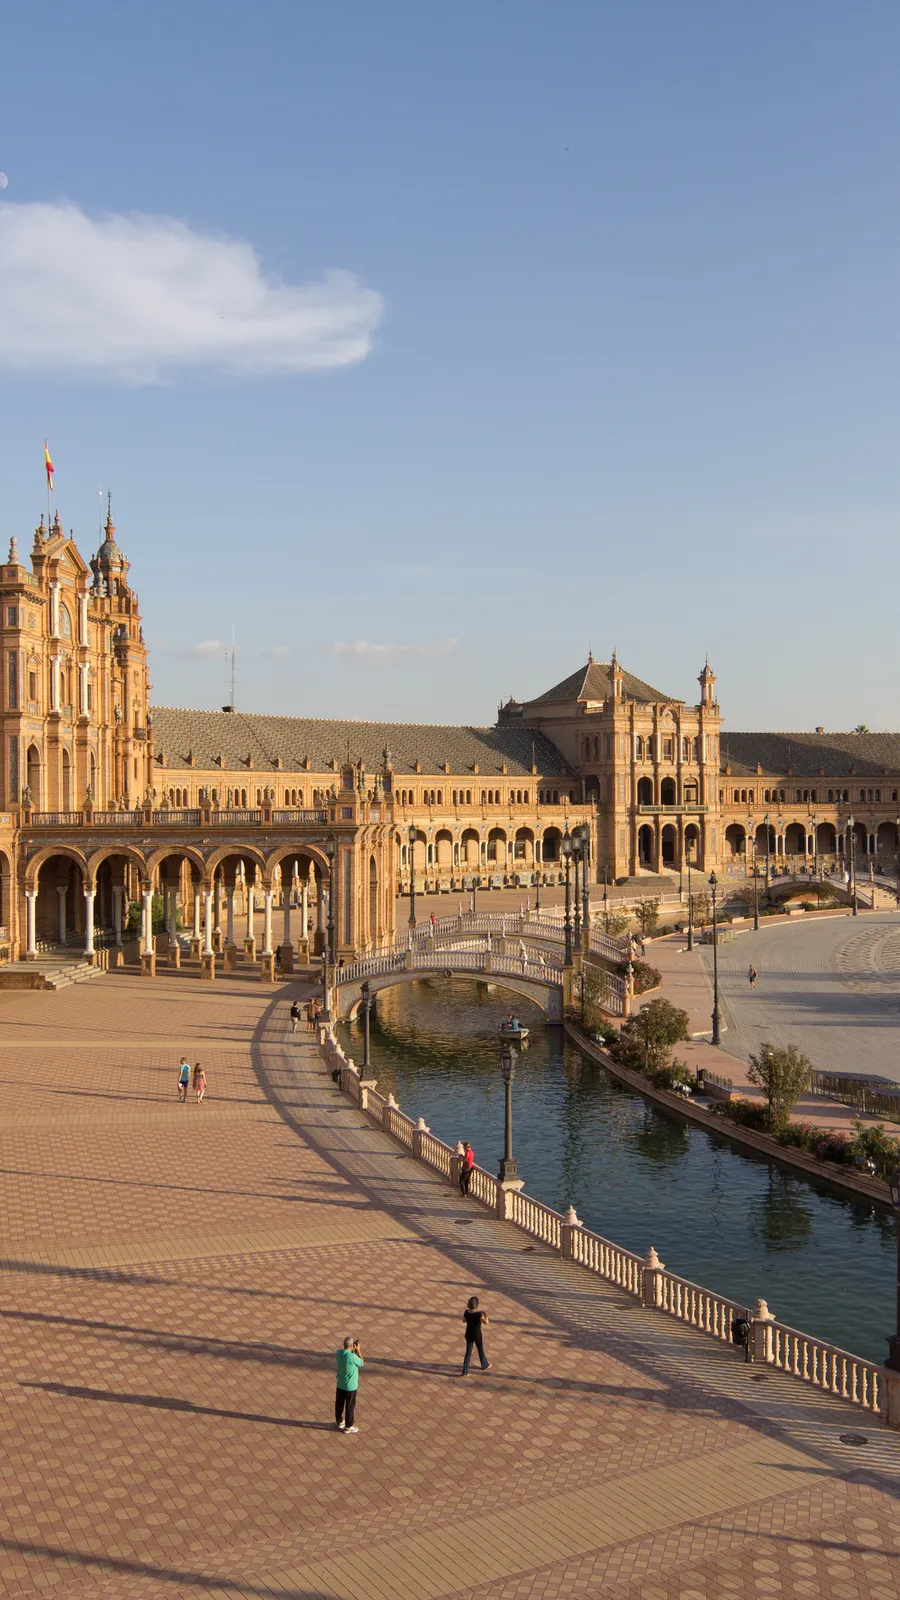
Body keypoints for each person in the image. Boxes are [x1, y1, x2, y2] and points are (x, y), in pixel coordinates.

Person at [334, 1336, 363, 1432]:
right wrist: (358, 1350)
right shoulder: (352, 1357)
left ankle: (339, 1421)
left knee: (339, 1404)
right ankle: (348, 1426)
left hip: (340, 1384)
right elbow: (361, 1363)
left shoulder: (338, 1353)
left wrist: (352, 1350)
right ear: (352, 1345)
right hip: (350, 1386)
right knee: (350, 1406)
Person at [461, 1295, 492, 1375]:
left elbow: (463, 1320)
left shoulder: (466, 1312)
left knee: (468, 1352)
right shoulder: (479, 1315)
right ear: (476, 1305)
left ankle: (465, 1371)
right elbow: (486, 1323)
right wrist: (485, 1315)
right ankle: (484, 1364)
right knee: (480, 1350)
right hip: (477, 1335)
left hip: (468, 1334)